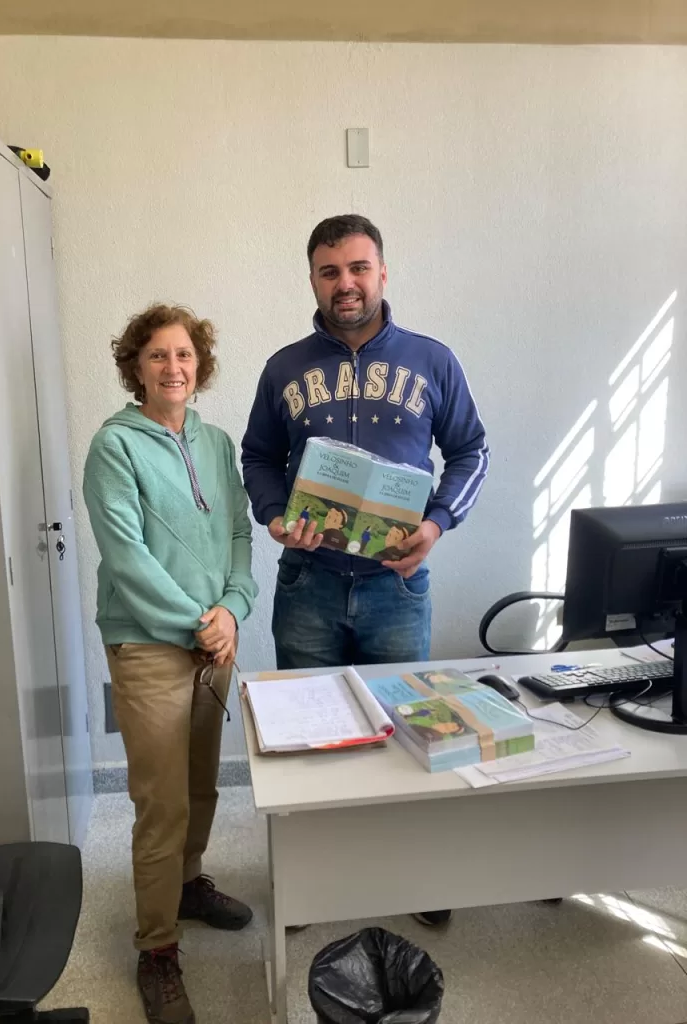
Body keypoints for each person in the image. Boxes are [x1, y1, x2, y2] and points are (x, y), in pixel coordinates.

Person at [241, 214, 489, 927]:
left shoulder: (432, 361)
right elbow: (258, 456)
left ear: (382, 272)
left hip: (396, 586)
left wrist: (437, 524)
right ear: (313, 279)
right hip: (309, 583)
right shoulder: (283, 368)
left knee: (409, 735)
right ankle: (309, 880)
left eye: (357, 268)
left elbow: (472, 450)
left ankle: (410, 876)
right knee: (306, 743)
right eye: (329, 271)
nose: (344, 284)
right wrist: (272, 513)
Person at [84, 304, 258, 1024]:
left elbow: (241, 533)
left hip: (215, 640)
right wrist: (198, 623)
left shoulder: (216, 444)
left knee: (202, 786)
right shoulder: (113, 448)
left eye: (184, 354)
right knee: (163, 806)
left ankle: (187, 886)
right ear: (136, 367)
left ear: (200, 364)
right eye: (157, 355)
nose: (173, 367)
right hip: (152, 646)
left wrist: (234, 610)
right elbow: (127, 559)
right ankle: (156, 951)